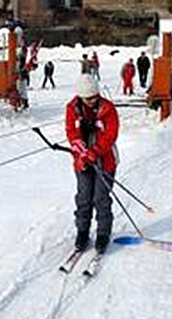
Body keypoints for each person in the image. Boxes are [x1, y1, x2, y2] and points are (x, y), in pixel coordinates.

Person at [66, 74, 119, 254]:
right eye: (87, 99)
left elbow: (110, 135)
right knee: (83, 198)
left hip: (105, 161)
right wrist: (82, 154)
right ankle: (82, 231)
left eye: (94, 97)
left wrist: (94, 152)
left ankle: (103, 233)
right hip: (82, 162)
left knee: (101, 198)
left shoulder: (108, 109)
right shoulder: (72, 108)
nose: (91, 101)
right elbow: (72, 133)